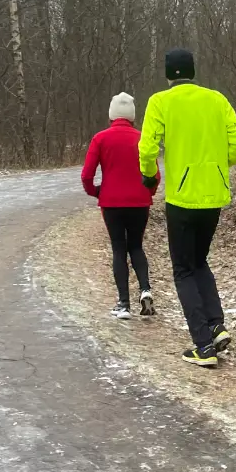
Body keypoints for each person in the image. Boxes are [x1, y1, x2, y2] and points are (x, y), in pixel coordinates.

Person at [138, 48, 236, 367]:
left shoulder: (161, 101)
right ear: (192, 71)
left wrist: (148, 175)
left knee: (184, 269)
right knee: (199, 261)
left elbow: (146, 148)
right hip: (214, 195)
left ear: (168, 74)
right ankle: (216, 327)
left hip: (182, 198)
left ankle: (203, 345)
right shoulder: (216, 99)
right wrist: (219, 164)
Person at [81, 92, 158, 320]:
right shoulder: (143, 138)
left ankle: (124, 304)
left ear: (112, 115)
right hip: (139, 202)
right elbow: (154, 175)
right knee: (136, 246)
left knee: (118, 248)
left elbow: (87, 175)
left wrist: (96, 192)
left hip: (112, 203)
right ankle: (145, 289)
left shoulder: (101, 139)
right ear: (132, 117)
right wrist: (148, 193)